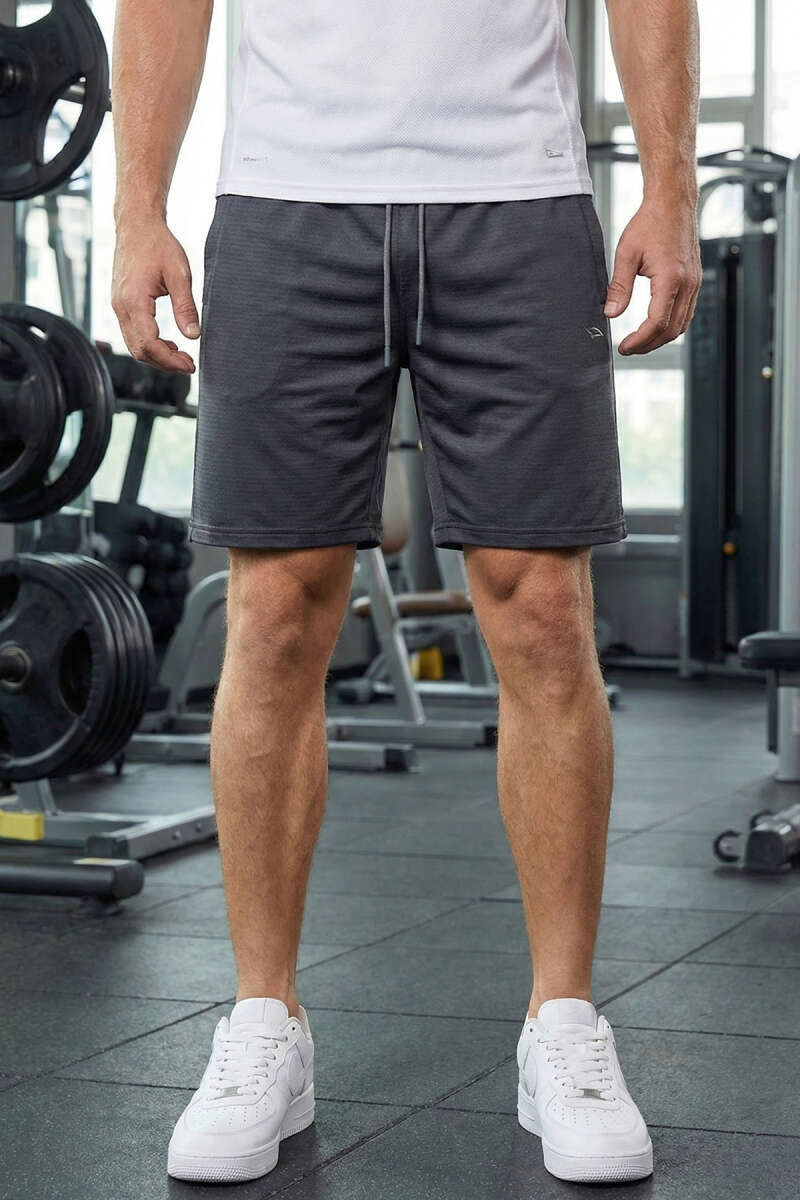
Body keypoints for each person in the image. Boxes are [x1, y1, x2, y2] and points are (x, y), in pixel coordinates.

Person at [112, 0, 700, 1185]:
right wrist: (136, 208)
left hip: (519, 196)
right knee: (274, 618)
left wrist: (670, 187)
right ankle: (263, 1022)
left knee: (543, 615)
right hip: (284, 199)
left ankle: (561, 1023)